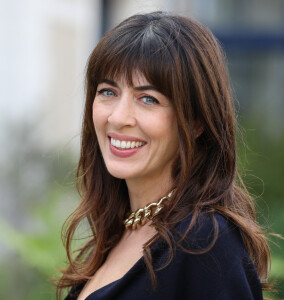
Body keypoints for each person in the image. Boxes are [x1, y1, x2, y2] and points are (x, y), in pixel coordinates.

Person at [56, 11, 272, 300]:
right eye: (108, 91)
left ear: (196, 121)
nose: (119, 117)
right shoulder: (117, 233)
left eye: (148, 99)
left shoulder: (206, 243)